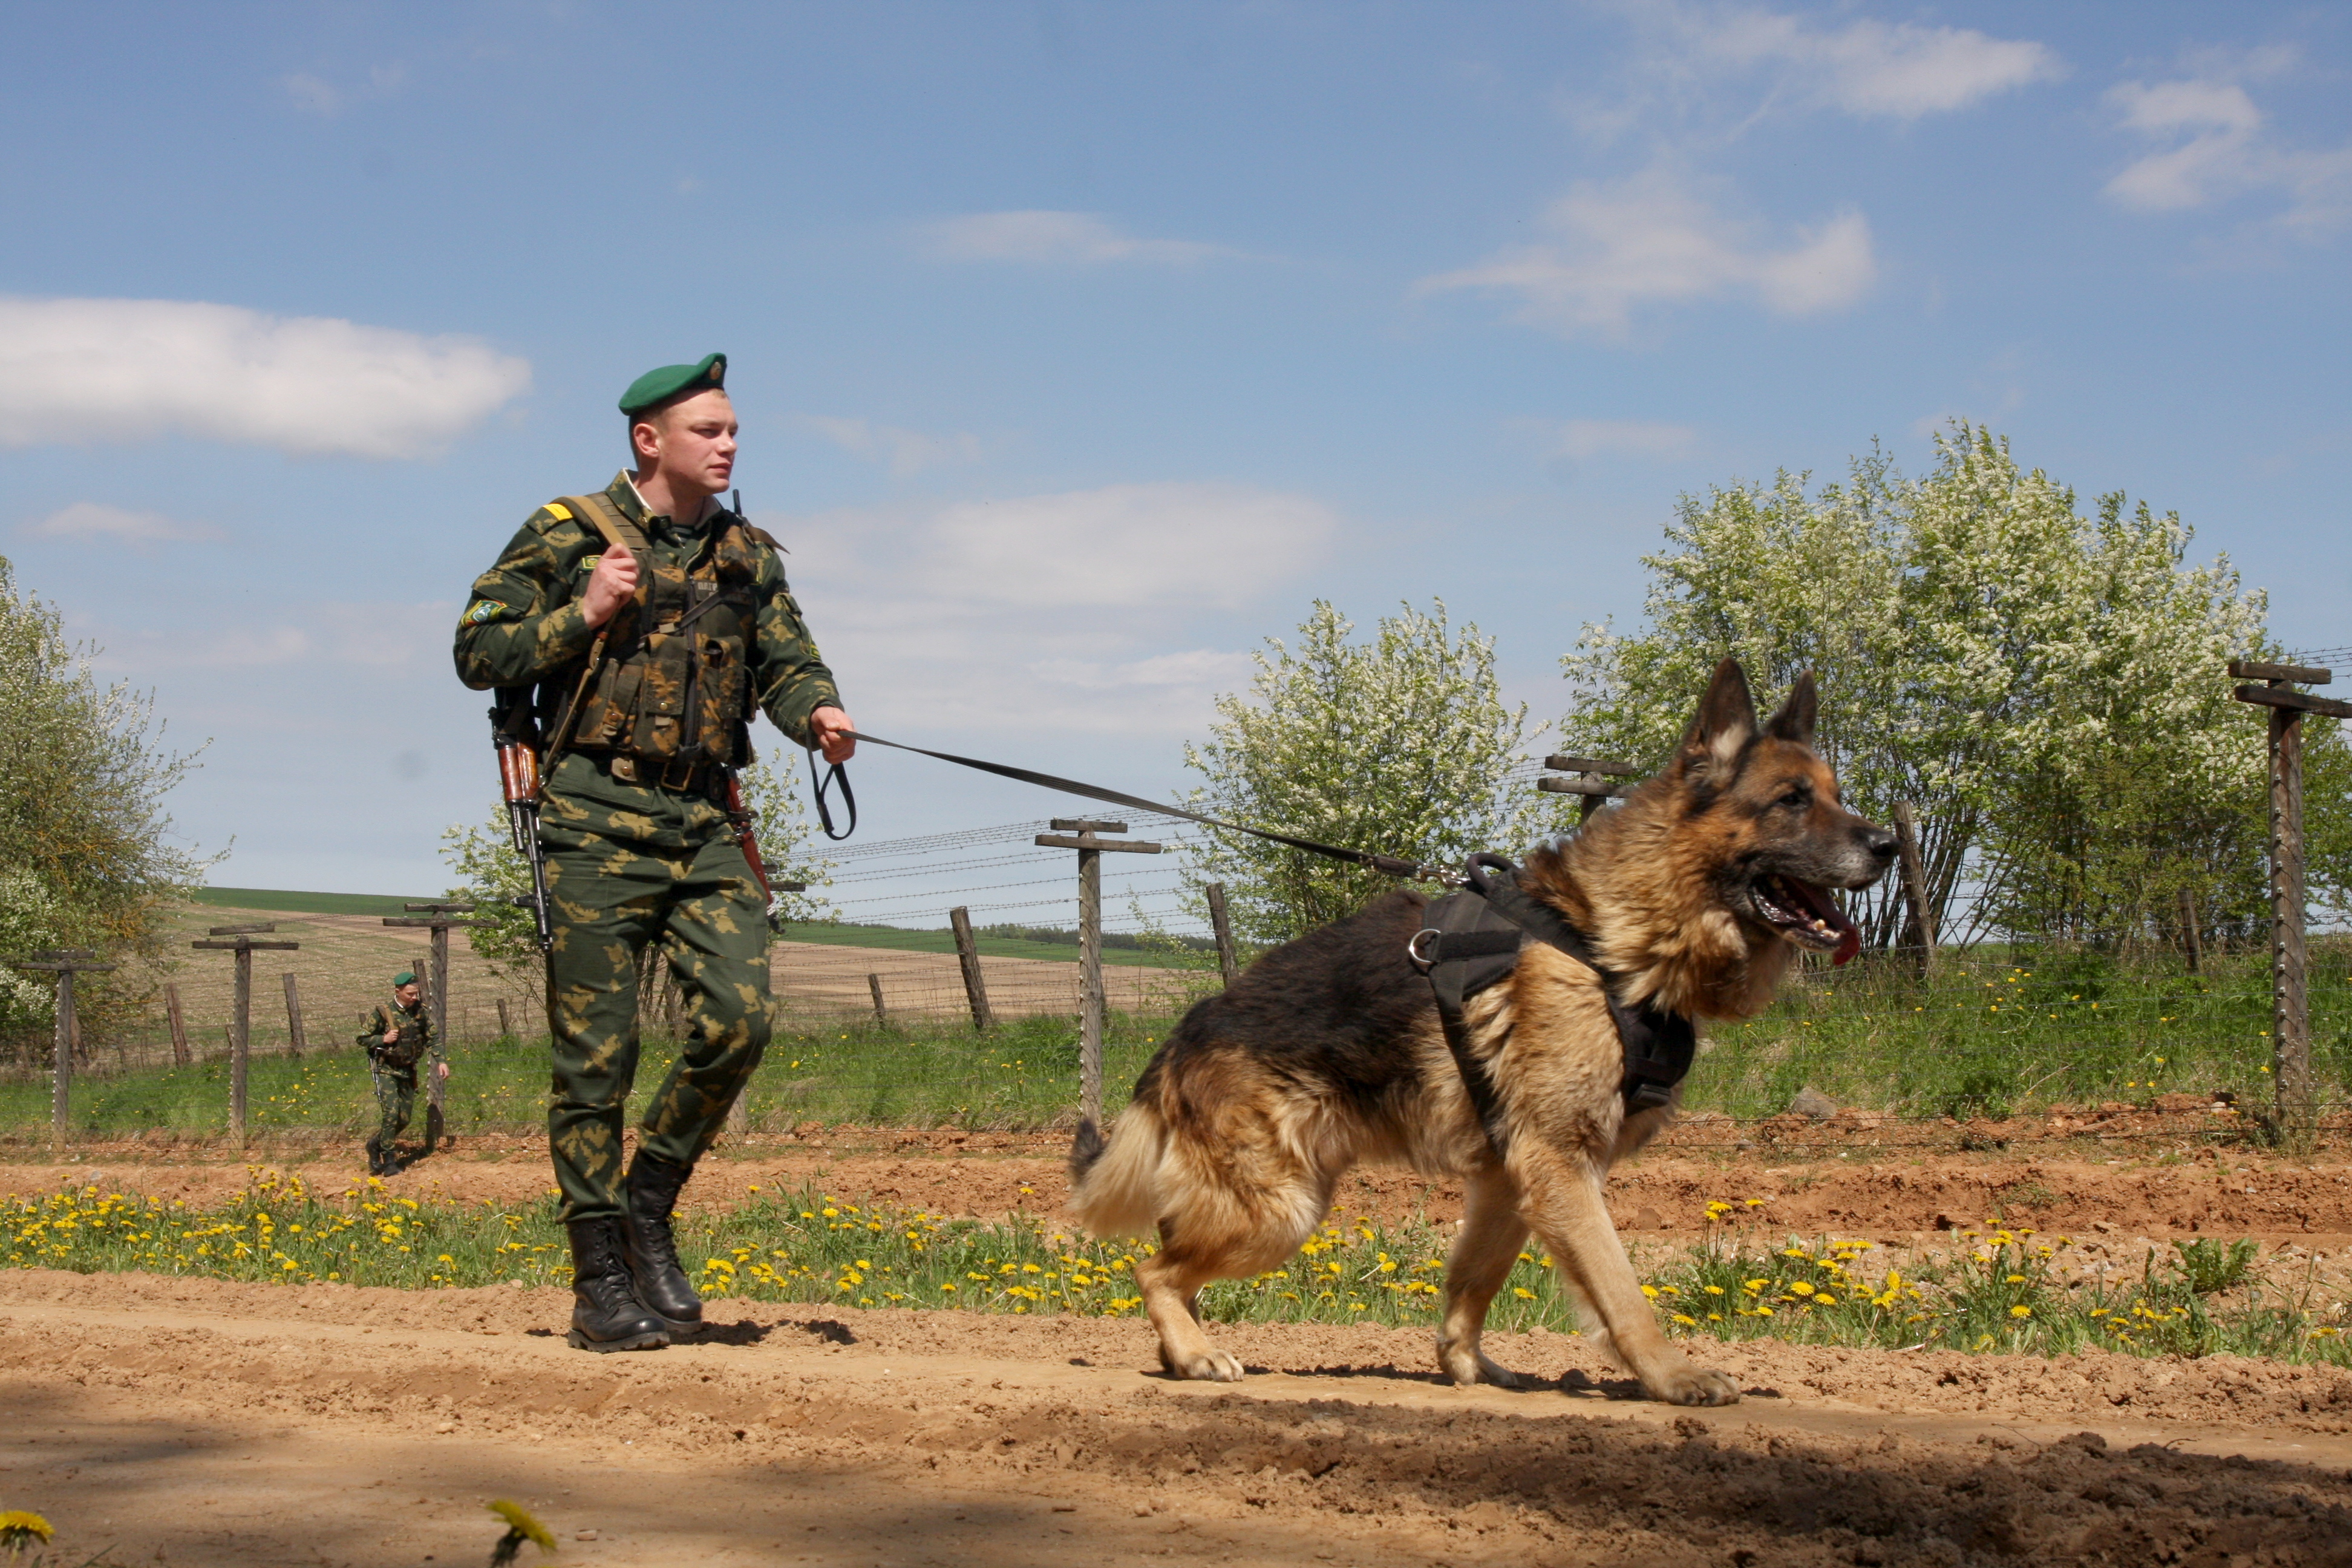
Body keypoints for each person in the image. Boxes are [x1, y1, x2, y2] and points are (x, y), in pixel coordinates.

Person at [451, 353, 855, 1353]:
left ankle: (648, 1200)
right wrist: (581, 611)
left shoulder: (746, 554)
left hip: (705, 820)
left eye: (731, 432)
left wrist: (820, 715)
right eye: (707, 431)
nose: (727, 446)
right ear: (649, 441)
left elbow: (787, 661)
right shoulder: (567, 531)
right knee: (596, 1059)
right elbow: (476, 650)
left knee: (740, 1018)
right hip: (592, 814)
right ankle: (599, 1282)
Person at [358, 970, 446, 1175]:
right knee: (391, 1114)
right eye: (410, 994)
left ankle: (374, 1144)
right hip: (387, 1070)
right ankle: (389, 1161)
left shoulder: (420, 1012)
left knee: (404, 1119)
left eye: (416, 993)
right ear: (398, 992)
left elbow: (432, 1037)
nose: (414, 997)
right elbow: (362, 1038)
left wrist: (441, 1061)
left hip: (408, 1071)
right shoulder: (383, 1013)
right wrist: (383, 1039)